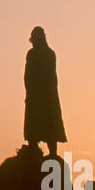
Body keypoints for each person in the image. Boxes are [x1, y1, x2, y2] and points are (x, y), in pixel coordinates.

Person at [23, 26, 66, 158]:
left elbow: (48, 77)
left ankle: (52, 154)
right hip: (39, 96)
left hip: (46, 97)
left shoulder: (48, 54)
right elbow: (28, 76)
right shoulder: (39, 54)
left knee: (49, 126)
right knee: (35, 127)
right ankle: (34, 152)